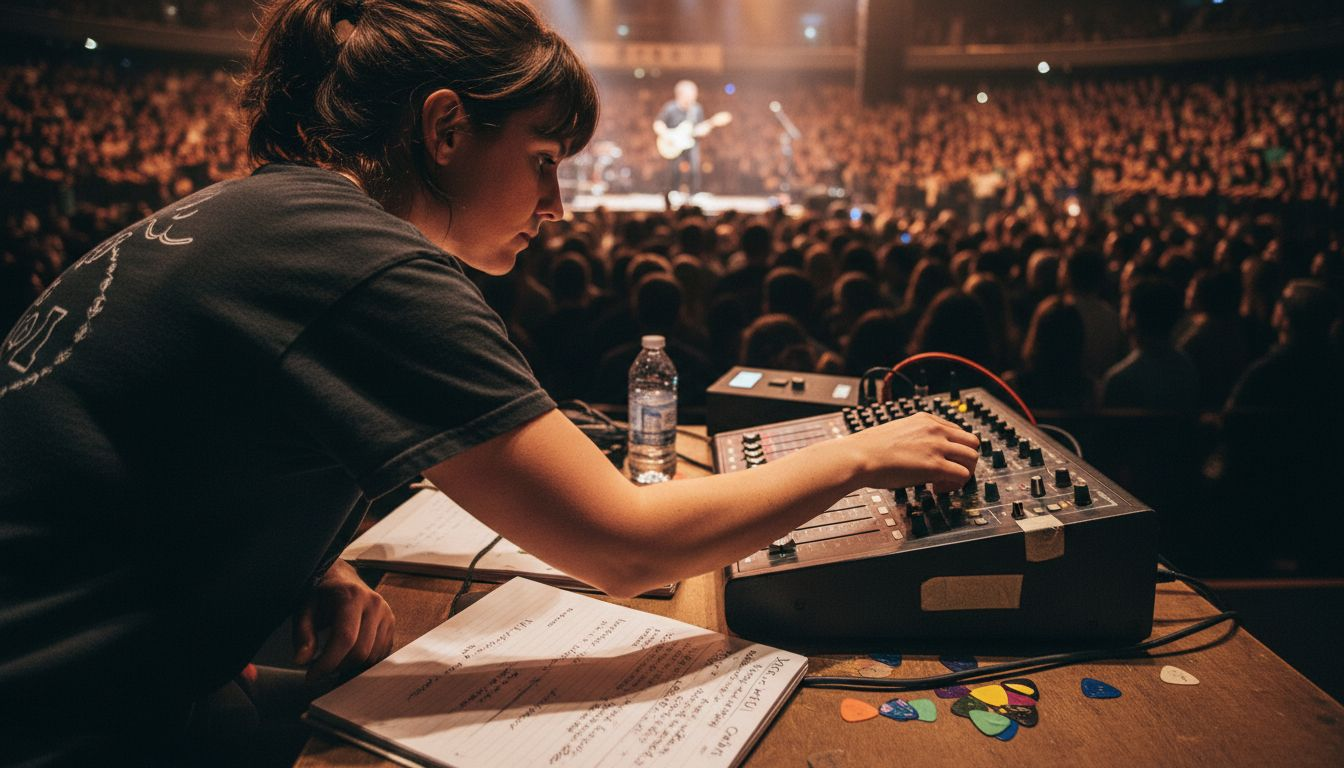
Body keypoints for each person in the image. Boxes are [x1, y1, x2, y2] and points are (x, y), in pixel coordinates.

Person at [0, 1, 980, 765]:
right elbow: (623, 546)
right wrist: (860, 454)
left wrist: (312, 562)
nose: (556, 205)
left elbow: (161, 451)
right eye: (545, 162)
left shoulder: (263, 216)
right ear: (443, 129)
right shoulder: (364, 259)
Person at [653, 79, 705, 199]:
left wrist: (702, 130)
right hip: (673, 143)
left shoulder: (697, 109)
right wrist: (667, 135)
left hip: (691, 143)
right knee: (674, 169)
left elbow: (699, 127)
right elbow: (658, 124)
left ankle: (694, 193)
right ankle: (672, 191)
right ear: (680, 94)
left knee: (695, 167)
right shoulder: (670, 108)